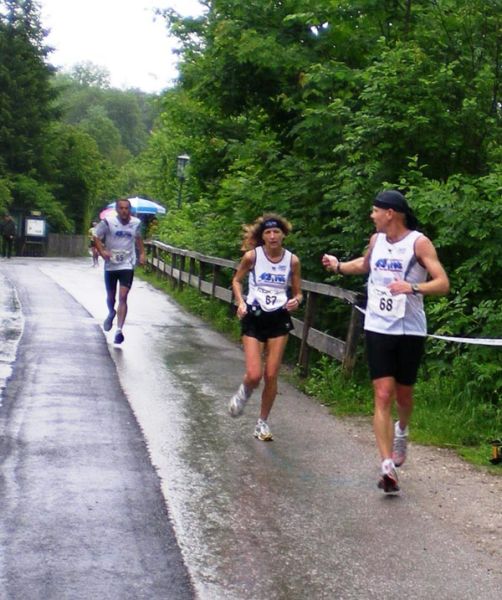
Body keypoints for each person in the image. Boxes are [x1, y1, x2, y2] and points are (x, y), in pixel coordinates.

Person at [322, 190, 449, 493]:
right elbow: (365, 265)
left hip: (409, 329)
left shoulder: (418, 243)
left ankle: (401, 431)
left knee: (404, 396)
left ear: (390, 213)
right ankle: (386, 466)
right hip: (378, 324)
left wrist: (413, 287)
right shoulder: (376, 240)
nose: (372, 215)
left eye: (375, 211)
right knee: (382, 393)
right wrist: (338, 266)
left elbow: (443, 283)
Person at [229, 213, 303, 441]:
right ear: (262, 237)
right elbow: (236, 280)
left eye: (276, 232)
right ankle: (243, 394)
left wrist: (297, 301)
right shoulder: (252, 257)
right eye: (268, 233)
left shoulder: (292, 261)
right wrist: (241, 302)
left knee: (271, 374)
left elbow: (298, 292)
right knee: (254, 374)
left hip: (278, 318)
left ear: (283, 236)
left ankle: (262, 423)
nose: (272, 236)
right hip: (255, 315)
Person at [93, 198, 146, 344]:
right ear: (117, 210)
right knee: (111, 297)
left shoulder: (135, 223)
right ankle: (111, 312)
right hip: (111, 265)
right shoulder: (108, 222)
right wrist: (102, 251)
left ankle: (119, 330)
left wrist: (142, 253)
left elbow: (139, 238)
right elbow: (95, 235)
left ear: (130, 210)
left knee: (123, 296)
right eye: (121, 208)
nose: (124, 211)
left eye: (126, 208)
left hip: (127, 264)